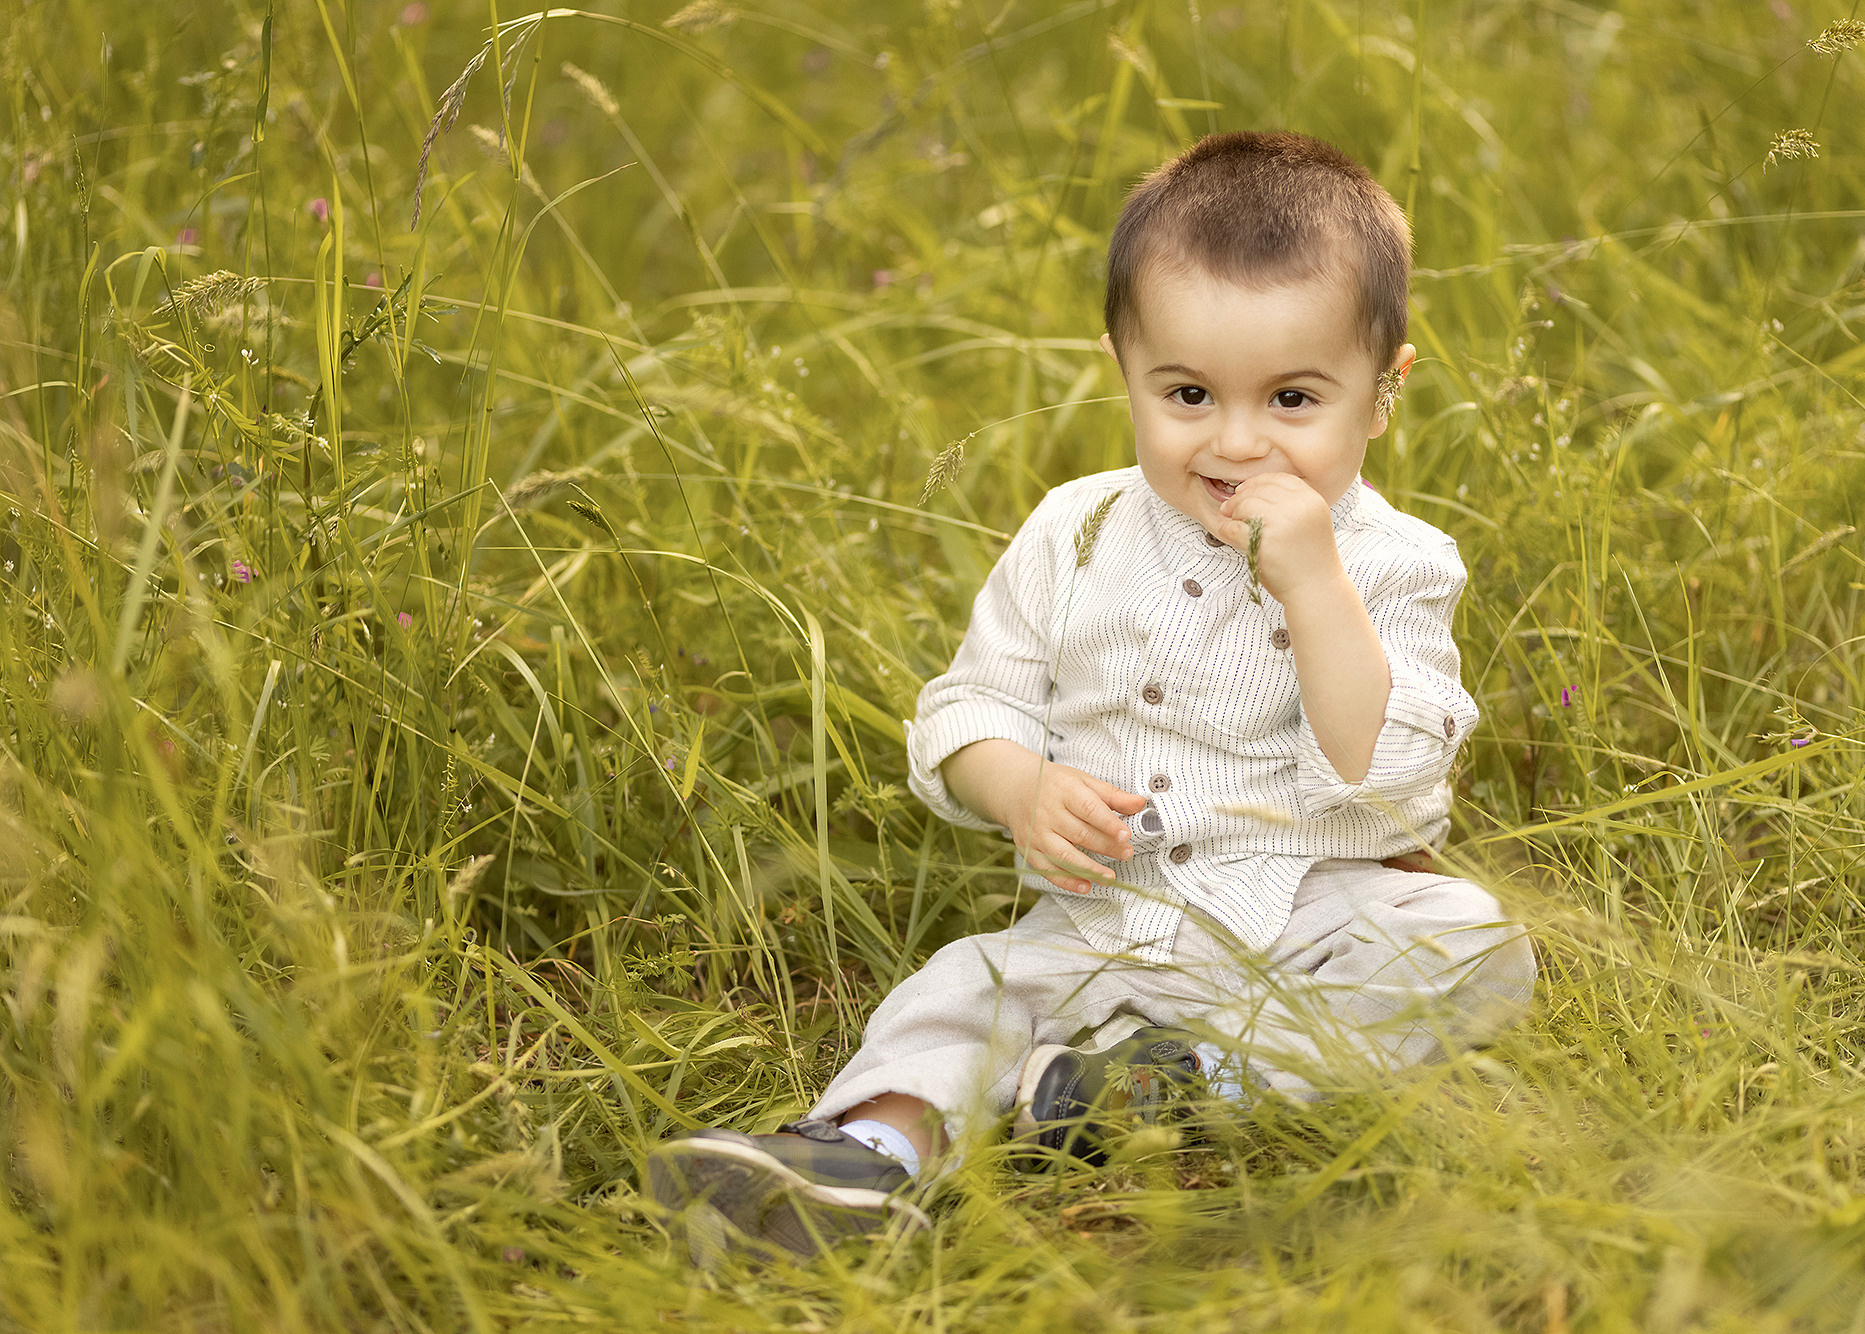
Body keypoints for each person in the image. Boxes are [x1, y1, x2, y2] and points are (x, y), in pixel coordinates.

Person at [649, 130, 1535, 1258]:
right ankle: (862, 1157)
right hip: (1100, 918)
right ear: (1121, 363)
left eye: (1294, 397)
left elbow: (1392, 774)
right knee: (963, 989)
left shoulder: (1398, 561)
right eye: (1187, 392)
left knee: (1471, 944)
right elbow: (967, 707)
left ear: (1380, 393)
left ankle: (1181, 1084)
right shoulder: (1075, 531)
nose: (1235, 438)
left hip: (1309, 912)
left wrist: (1311, 581)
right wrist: (1016, 784)